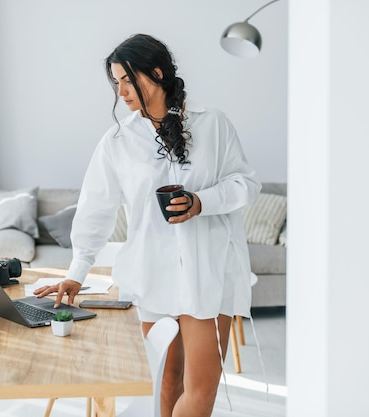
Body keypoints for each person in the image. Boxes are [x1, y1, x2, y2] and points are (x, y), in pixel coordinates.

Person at [34, 33, 260, 417]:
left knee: (201, 393)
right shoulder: (118, 141)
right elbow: (95, 209)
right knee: (166, 381)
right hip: (152, 274)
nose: (121, 91)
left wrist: (201, 202)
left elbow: (246, 184)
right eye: (116, 82)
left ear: (156, 73)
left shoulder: (213, 124)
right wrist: (77, 271)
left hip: (209, 271)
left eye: (128, 79)